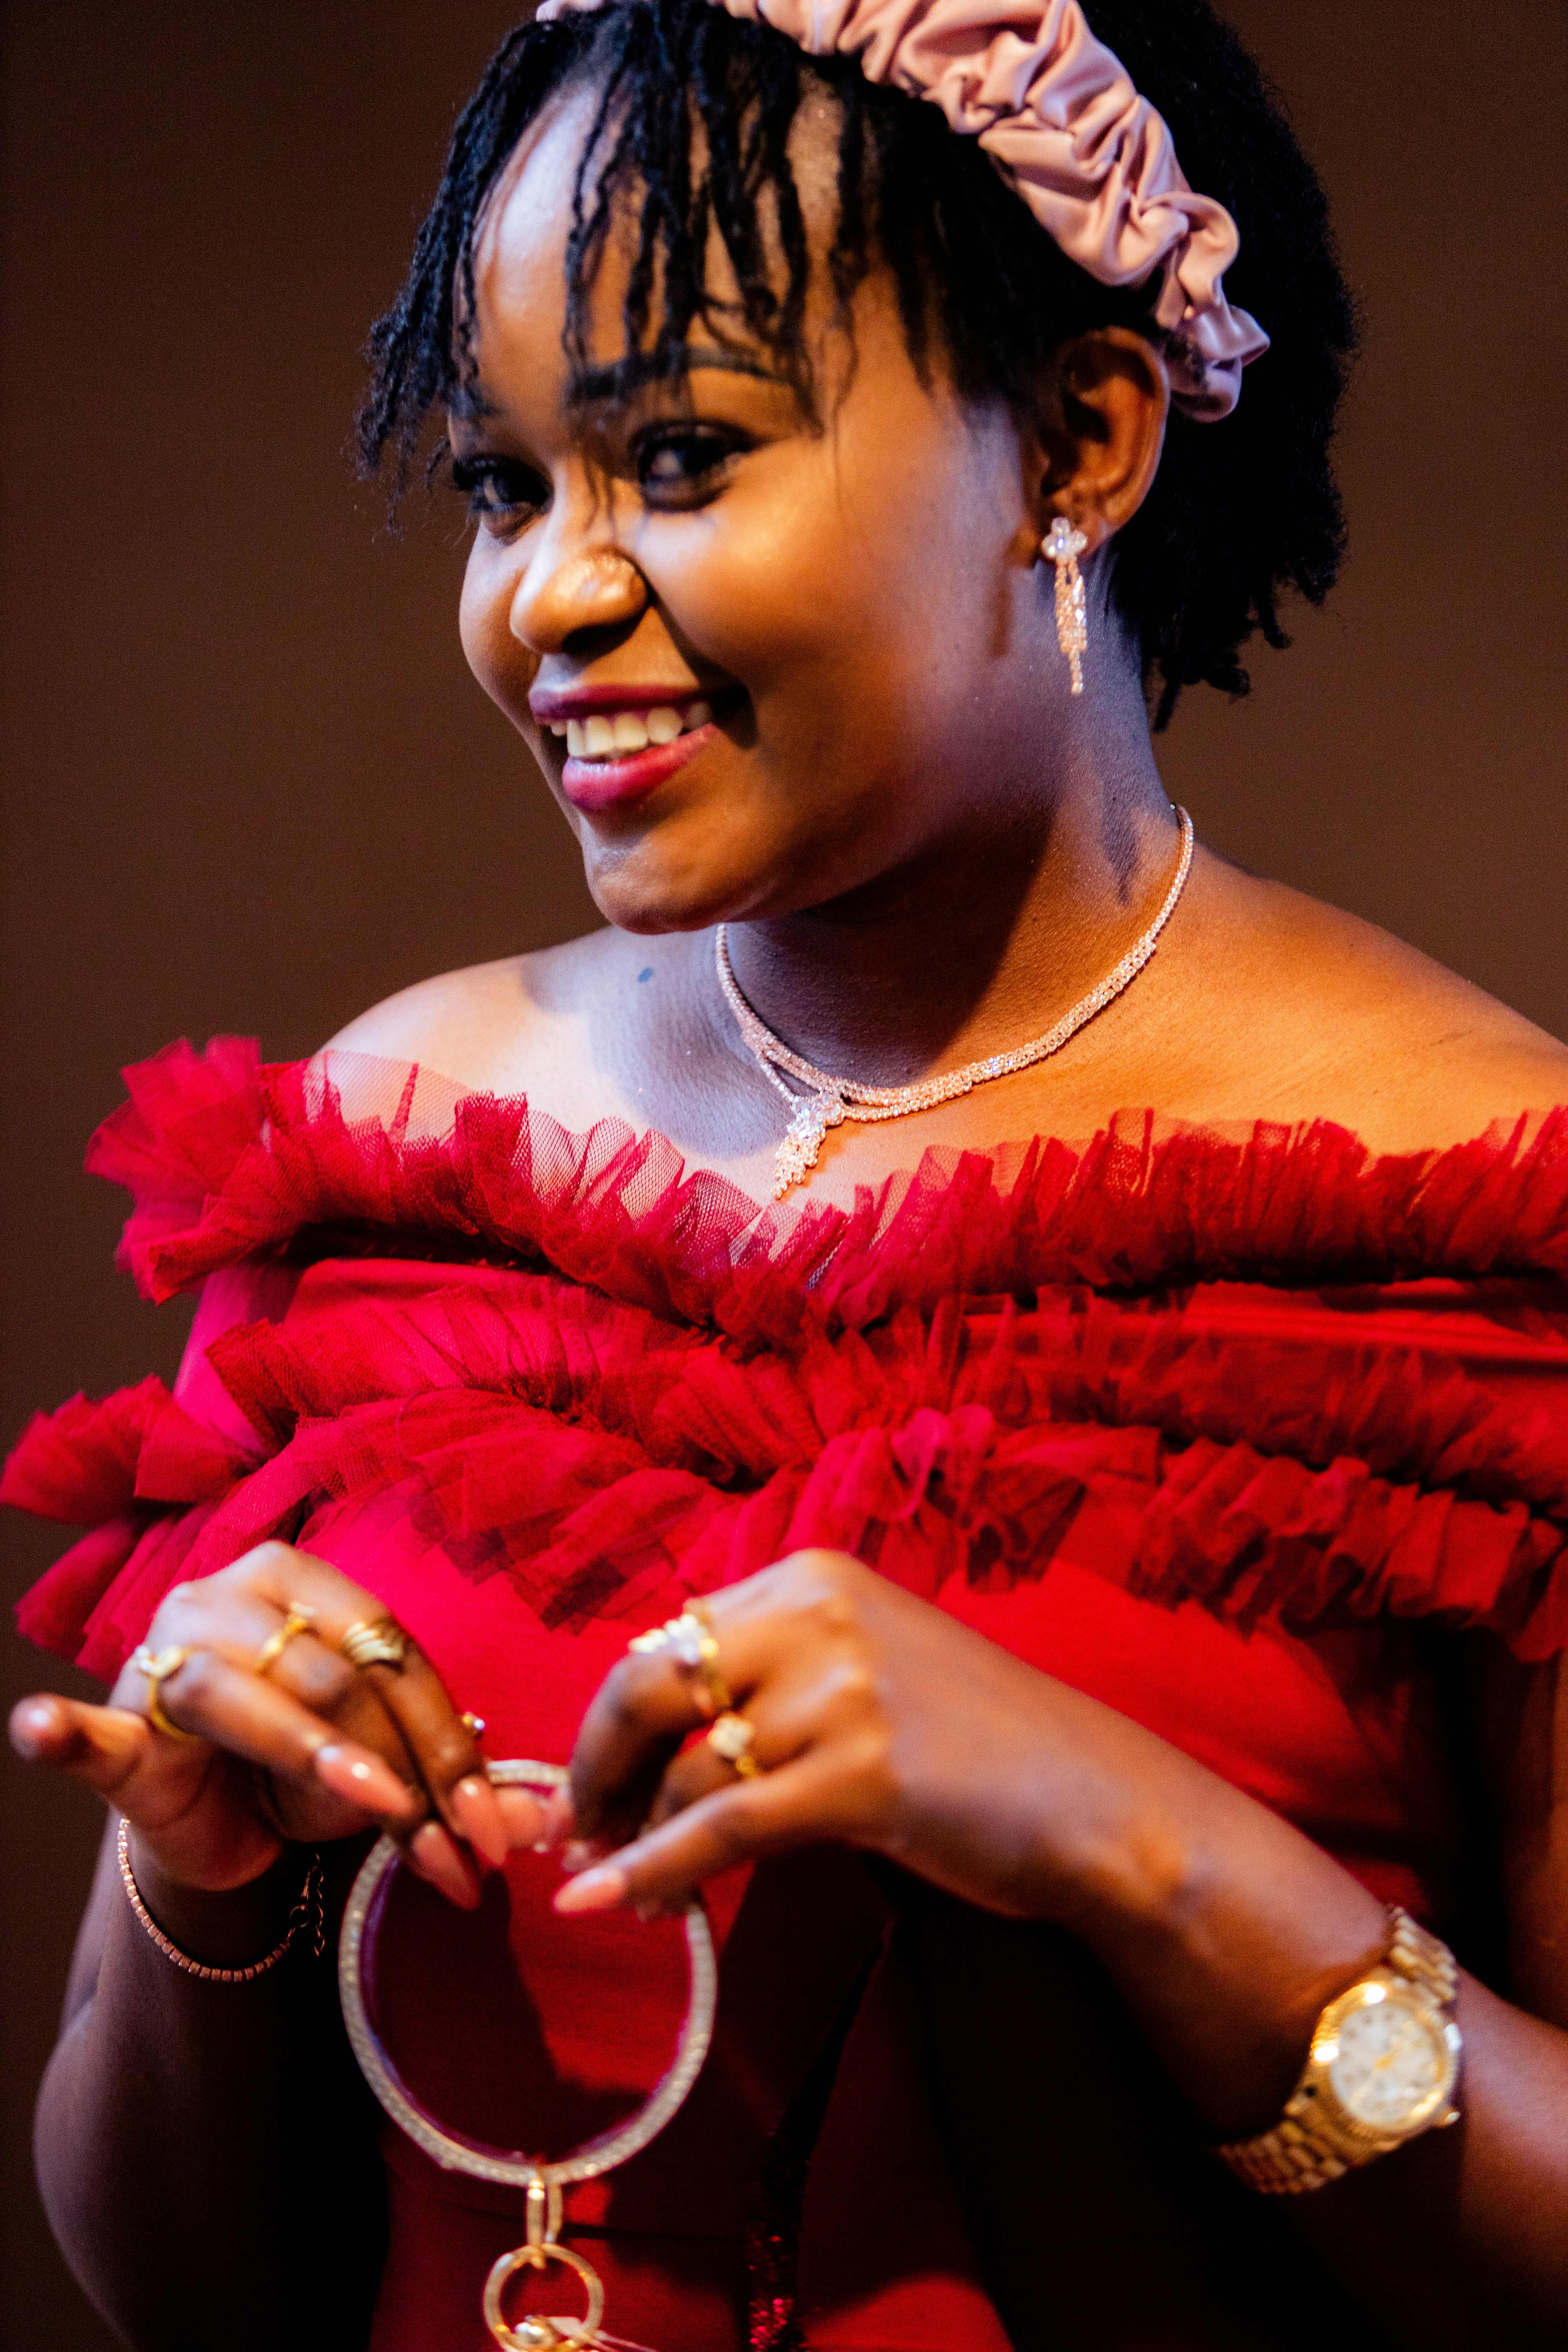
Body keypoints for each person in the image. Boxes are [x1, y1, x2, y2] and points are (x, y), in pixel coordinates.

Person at [8, 1, 1568, 2345]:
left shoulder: (1476, 1210)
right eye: (506, 486)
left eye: (682, 454)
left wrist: (1132, 1841)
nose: (547, 595)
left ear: (1078, 440)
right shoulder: (394, 1166)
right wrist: (199, 1884)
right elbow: (187, 2296)